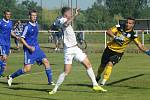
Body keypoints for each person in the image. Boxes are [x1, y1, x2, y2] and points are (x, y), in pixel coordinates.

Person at [49, 7, 107, 95]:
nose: (71, 14)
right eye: (70, 13)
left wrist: (74, 14)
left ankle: (95, 85)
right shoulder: (62, 20)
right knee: (66, 72)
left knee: (88, 64)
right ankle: (55, 89)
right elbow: (65, 23)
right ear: (66, 14)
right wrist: (75, 15)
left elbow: (63, 22)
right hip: (68, 50)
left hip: (76, 49)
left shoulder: (63, 19)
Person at [96, 17, 150, 86]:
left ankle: (103, 82)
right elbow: (108, 31)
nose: (127, 24)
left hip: (118, 53)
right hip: (108, 49)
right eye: (127, 22)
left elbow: (140, 46)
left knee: (110, 64)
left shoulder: (133, 35)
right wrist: (115, 37)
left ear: (133, 25)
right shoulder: (119, 27)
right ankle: (98, 76)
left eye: (129, 23)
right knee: (102, 66)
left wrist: (148, 52)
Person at [7, 10, 54, 86]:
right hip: (29, 50)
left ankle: (50, 82)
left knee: (46, 62)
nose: (34, 17)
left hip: (37, 49)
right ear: (29, 16)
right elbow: (22, 38)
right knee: (27, 69)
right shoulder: (27, 26)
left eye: (35, 16)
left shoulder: (36, 24)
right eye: (33, 15)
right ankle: (11, 77)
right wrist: (29, 47)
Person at [0, 10, 19, 77]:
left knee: (4, 58)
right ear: (4, 14)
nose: (8, 15)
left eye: (9, 14)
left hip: (8, 43)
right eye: (7, 14)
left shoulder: (10, 22)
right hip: (1, 42)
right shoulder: (1, 22)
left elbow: (10, 31)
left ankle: (1, 72)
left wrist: (16, 36)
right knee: (3, 57)